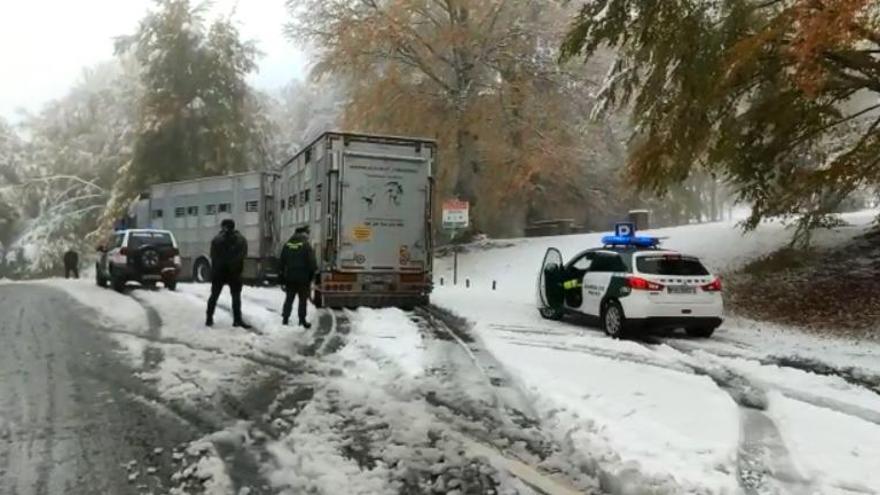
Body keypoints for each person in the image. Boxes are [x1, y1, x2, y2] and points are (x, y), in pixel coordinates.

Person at [206, 219, 251, 329]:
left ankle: (209, 318)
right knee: (236, 296)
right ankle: (237, 320)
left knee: (214, 295)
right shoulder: (241, 240)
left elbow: (213, 256)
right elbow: (243, 255)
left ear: (223, 227)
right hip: (234, 272)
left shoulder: (216, 240)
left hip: (219, 272)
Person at [278, 226, 318, 328]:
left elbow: (282, 262)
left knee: (289, 299)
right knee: (302, 300)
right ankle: (302, 320)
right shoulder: (306, 245)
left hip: (290, 277)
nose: (308, 235)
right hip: (303, 278)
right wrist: (312, 275)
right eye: (307, 233)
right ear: (304, 234)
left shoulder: (287, 245)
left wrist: (282, 276)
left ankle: (285, 319)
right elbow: (312, 263)